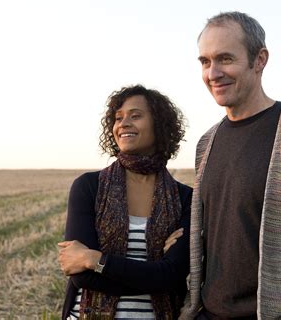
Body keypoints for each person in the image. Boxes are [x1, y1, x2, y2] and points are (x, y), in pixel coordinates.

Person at [179, 11, 281, 320]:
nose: (213, 73)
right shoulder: (206, 143)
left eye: (225, 59)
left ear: (260, 59)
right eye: (205, 61)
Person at [58, 84, 192, 319]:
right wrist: (155, 276)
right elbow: (81, 275)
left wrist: (95, 260)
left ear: (160, 125)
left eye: (135, 116)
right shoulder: (89, 187)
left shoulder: (185, 198)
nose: (123, 124)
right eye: (118, 118)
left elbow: (173, 274)